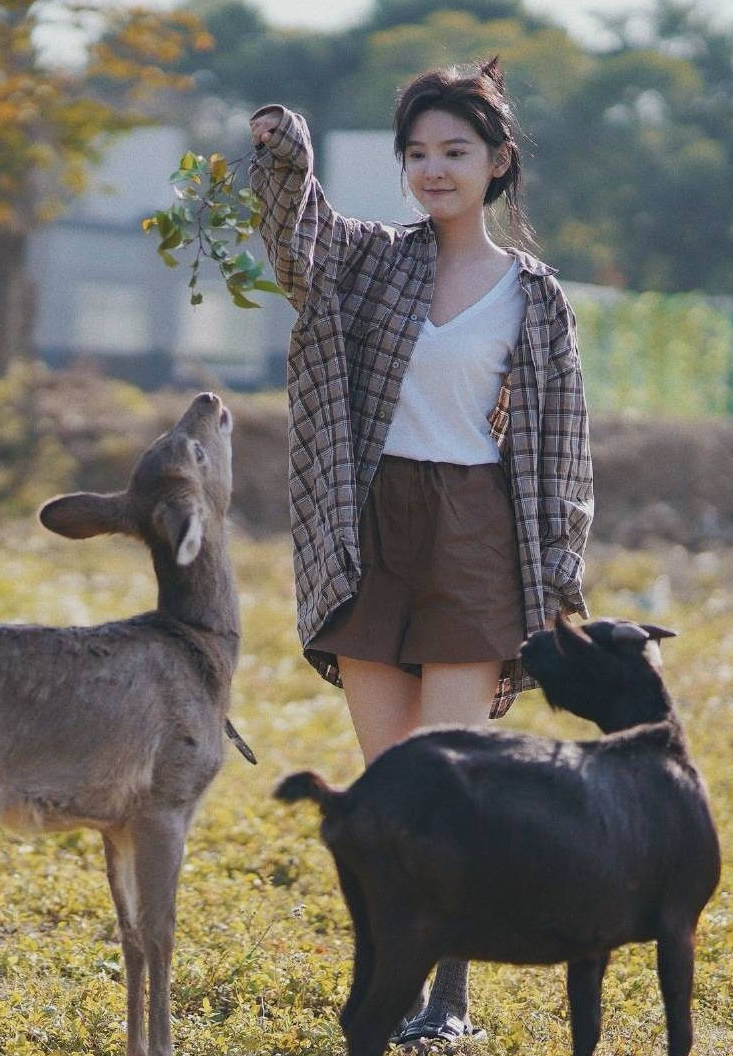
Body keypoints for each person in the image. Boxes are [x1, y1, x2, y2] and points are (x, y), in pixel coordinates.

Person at [248, 57, 593, 1047]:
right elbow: (297, 243)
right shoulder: (370, 261)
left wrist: (560, 579)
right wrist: (281, 152)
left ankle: (449, 999)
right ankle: (394, 988)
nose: (434, 169)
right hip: (373, 528)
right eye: (417, 153)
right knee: (390, 785)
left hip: (480, 532)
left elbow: (565, 445)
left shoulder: (534, 297)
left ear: (498, 162)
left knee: (448, 782)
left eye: (455, 151)